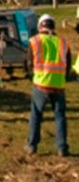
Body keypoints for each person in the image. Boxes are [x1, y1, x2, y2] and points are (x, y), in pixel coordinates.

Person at [26, 13, 73, 156]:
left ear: (40, 26)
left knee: (36, 115)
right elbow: (68, 65)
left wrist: (32, 76)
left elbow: (28, 63)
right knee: (60, 117)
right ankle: (62, 147)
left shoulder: (34, 41)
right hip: (59, 86)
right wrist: (63, 79)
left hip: (40, 85)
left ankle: (32, 145)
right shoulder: (63, 43)